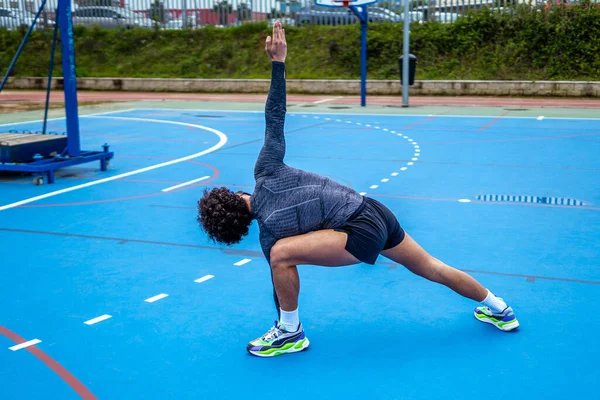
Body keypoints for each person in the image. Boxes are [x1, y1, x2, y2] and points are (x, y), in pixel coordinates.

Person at [197, 21, 519, 358]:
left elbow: (280, 286)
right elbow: (274, 115)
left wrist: (282, 313)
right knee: (431, 266)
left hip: (359, 227)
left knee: (280, 256)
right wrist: (278, 63)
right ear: (234, 194)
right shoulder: (266, 169)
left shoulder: (269, 238)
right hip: (373, 210)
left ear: (238, 227)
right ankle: (498, 307)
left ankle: (290, 333)